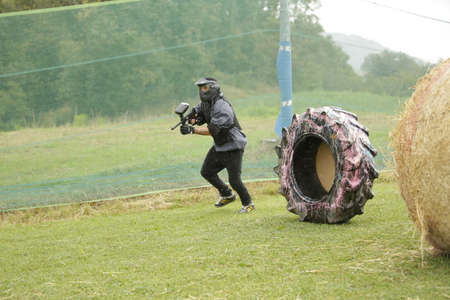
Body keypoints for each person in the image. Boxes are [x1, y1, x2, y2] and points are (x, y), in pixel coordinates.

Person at [180, 77, 254, 213]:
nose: (202, 91)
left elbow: (212, 130)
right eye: (200, 88)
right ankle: (227, 194)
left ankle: (248, 204)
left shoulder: (222, 106)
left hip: (233, 145)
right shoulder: (206, 103)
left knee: (234, 180)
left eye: (205, 88)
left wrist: (192, 130)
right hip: (220, 144)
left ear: (212, 88)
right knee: (207, 172)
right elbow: (199, 114)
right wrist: (192, 118)